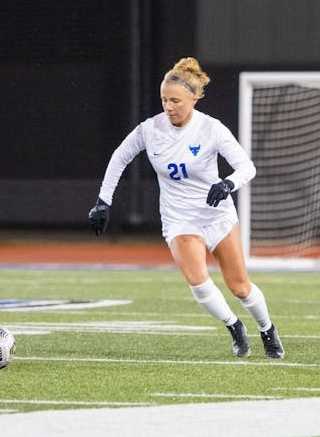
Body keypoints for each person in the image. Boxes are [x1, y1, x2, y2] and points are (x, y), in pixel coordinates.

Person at [88, 57, 284, 359]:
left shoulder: (211, 129)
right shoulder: (150, 129)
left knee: (240, 287)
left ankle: (267, 328)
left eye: (175, 101)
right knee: (198, 282)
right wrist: (104, 201)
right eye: (164, 99)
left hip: (217, 214)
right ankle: (233, 326)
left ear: (194, 98)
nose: (168, 107)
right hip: (179, 218)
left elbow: (247, 167)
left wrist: (227, 184)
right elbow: (119, 157)